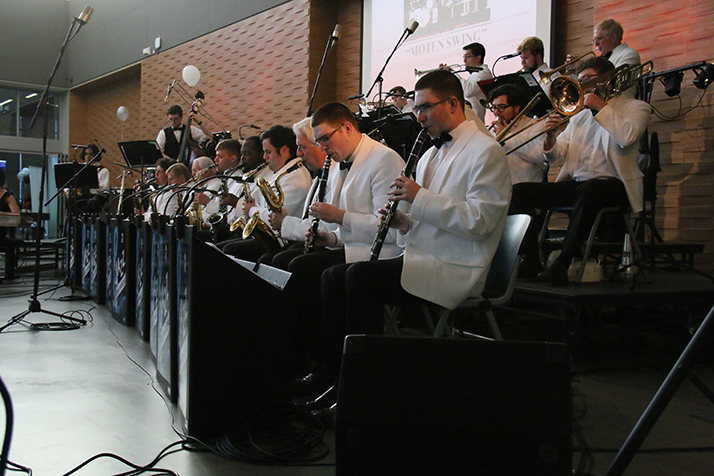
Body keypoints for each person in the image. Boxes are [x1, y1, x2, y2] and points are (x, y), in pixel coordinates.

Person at [309, 71, 512, 420]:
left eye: (425, 108)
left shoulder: (486, 151)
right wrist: (404, 222)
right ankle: (335, 376)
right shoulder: (432, 155)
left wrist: (419, 199)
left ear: (452, 104)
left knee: (359, 278)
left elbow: (480, 222)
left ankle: (366, 389)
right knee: (331, 277)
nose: (418, 118)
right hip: (425, 254)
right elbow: (427, 219)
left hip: (458, 265)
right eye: (417, 109)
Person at [285, 102, 405, 387]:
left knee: (316, 272)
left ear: (348, 127)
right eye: (319, 141)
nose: (323, 147)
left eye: (326, 138)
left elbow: (388, 228)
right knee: (294, 263)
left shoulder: (384, 159)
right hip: (355, 246)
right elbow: (347, 228)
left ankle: (333, 367)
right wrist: (331, 237)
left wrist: (339, 217)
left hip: (384, 252)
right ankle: (306, 356)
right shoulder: (341, 162)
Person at [509, 57, 651, 284]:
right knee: (518, 192)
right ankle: (530, 259)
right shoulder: (579, 116)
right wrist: (550, 137)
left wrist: (599, 107)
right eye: (580, 80)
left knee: (592, 190)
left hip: (615, 184)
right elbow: (557, 156)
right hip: (579, 185)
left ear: (608, 79)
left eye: (588, 80)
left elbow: (627, 137)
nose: (582, 85)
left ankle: (564, 262)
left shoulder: (635, 107)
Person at [223, 125, 311, 261]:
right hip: (268, 235)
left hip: (281, 239)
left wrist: (252, 209)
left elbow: (275, 220)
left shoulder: (295, 178)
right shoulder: (279, 174)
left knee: (229, 251)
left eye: (268, 152)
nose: (264, 157)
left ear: (284, 150)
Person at [265, 117, 332, 265]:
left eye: (302, 147)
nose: (298, 153)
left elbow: (324, 228)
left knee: (286, 261)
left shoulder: (334, 175)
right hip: (313, 240)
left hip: (331, 244)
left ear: (320, 145)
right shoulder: (320, 176)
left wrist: (285, 222)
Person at [488, 84, 548, 184]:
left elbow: (539, 156)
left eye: (501, 107)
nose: (496, 112)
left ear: (516, 108)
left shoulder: (535, 125)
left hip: (525, 188)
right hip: (498, 187)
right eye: (494, 107)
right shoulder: (493, 129)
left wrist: (505, 137)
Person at [593, 19, 641, 97]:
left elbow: (617, 83)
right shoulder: (605, 58)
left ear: (613, 37)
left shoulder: (629, 54)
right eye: (594, 40)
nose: (596, 44)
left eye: (599, 39)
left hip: (619, 102)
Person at [455, 42, 493, 123]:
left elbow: (468, 91)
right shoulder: (475, 74)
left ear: (478, 58)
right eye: (464, 57)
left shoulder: (483, 72)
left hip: (476, 118)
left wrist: (454, 75)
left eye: (468, 57)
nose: (464, 61)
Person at [0, 167, 21, 281]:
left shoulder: (7, 196)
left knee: (8, 243)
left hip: (3, 232)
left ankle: (9, 274)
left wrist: (2, 213)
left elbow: (16, 214)